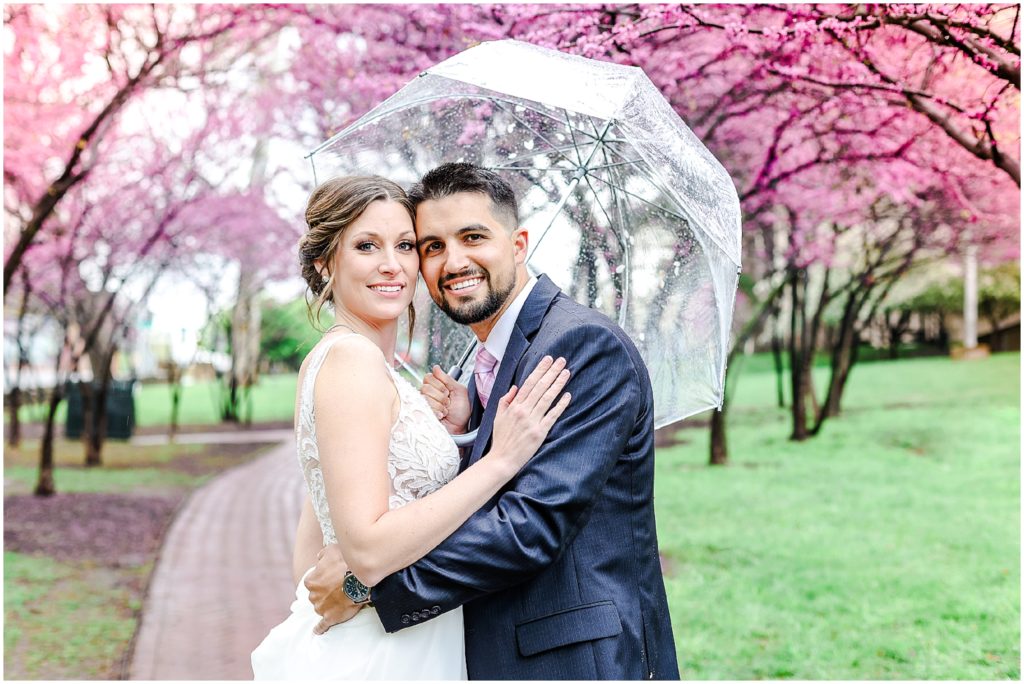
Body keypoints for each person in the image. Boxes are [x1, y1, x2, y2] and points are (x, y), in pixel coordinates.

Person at [305, 163, 680, 680]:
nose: (453, 261)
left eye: (473, 237)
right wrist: (471, 429)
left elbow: (529, 526)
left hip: (572, 660)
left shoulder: (578, 346)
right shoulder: (477, 365)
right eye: (432, 245)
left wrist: (369, 587)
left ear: (519, 243)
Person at [250, 175, 571, 679]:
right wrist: (499, 462)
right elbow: (370, 549)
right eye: (365, 246)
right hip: (387, 652)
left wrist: (455, 432)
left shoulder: (366, 367)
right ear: (323, 264)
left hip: (393, 640)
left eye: (405, 245)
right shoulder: (350, 361)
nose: (392, 265)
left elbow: (310, 561)